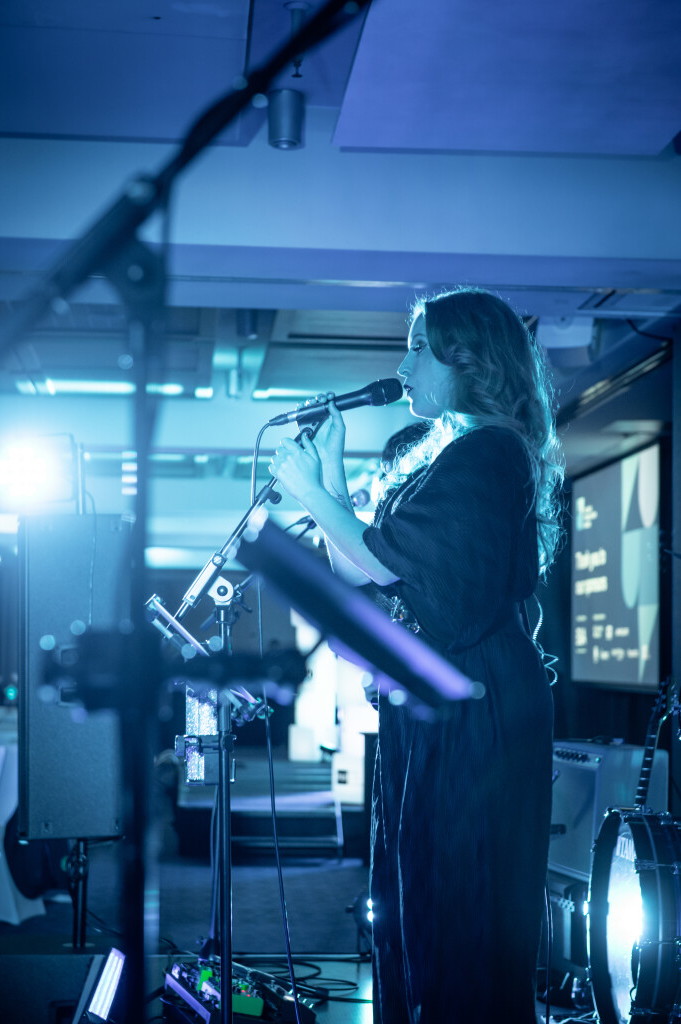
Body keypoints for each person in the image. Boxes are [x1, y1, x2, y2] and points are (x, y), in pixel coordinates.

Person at [270, 287, 564, 1024]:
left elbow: (384, 564)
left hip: (478, 707)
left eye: (417, 349)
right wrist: (330, 480)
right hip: (444, 702)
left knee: (465, 905)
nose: (401, 367)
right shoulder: (454, 451)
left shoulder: (489, 451)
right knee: (420, 899)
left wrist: (310, 495)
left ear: (467, 360)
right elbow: (363, 571)